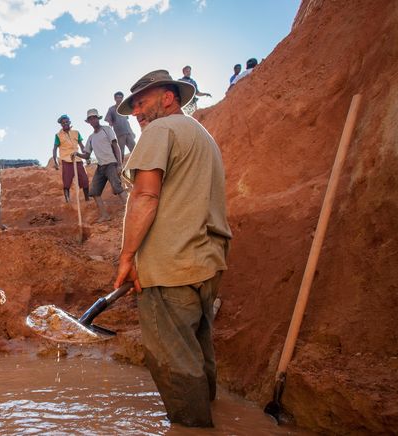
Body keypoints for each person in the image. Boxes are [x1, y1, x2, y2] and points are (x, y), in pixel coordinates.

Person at [113, 69, 232, 427]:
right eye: (133, 107)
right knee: (198, 353)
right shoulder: (202, 135)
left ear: (168, 97)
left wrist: (126, 257)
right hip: (206, 264)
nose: (136, 113)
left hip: (170, 267)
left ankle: (192, 428)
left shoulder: (160, 131)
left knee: (175, 365)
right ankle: (213, 419)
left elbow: (146, 195)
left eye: (142, 102)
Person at [75, 109, 127, 222]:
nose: (92, 120)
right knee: (94, 192)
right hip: (101, 166)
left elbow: (116, 146)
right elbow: (87, 155)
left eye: (94, 117)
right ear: (88, 122)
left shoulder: (106, 130)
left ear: (98, 118)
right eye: (90, 119)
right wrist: (77, 154)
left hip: (111, 164)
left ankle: (131, 212)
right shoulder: (91, 138)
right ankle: (105, 215)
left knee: (117, 188)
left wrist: (119, 164)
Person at [52, 114, 89, 203]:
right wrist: (55, 162)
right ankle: (67, 200)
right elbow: (55, 149)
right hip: (66, 160)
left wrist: (86, 155)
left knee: (84, 179)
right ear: (61, 124)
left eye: (66, 122)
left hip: (78, 159)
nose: (65, 124)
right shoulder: (58, 135)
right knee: (67, 180)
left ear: (69, 122)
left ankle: (87, 198)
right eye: (62, 123)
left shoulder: (76, 132)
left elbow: (81, 145)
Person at [104, 91, 136, 159]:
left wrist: (132, 132)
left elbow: (126, 120)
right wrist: (110, 122)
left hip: (128, 132)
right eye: (117, 97)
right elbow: (107, 118)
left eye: (120, 97)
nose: (119, 99)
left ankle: (136, 169)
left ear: (122, 98)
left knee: (135, 151)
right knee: (120, 153)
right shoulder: (111, 109)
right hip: (119, 134)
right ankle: (120, 168)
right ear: (115, 99)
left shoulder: (124, 107)